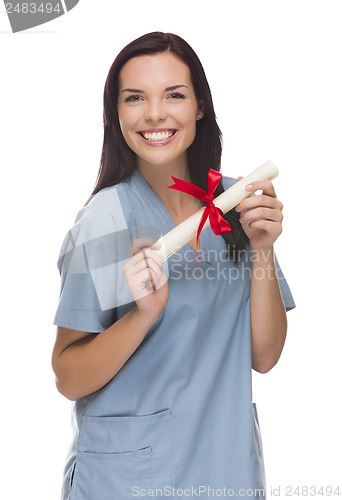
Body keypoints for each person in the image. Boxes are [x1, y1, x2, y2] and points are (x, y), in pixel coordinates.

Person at [52, 32, 295, 500]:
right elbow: (67, 375)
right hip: (128, 482)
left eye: (174, 95)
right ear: (115, 113)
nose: (155, 114)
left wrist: (262, 249)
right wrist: (143, 315)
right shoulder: (108, 221)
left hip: (225, 471)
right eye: (135, 98)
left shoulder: (237, 204)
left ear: (200, 106)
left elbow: (263, 357)